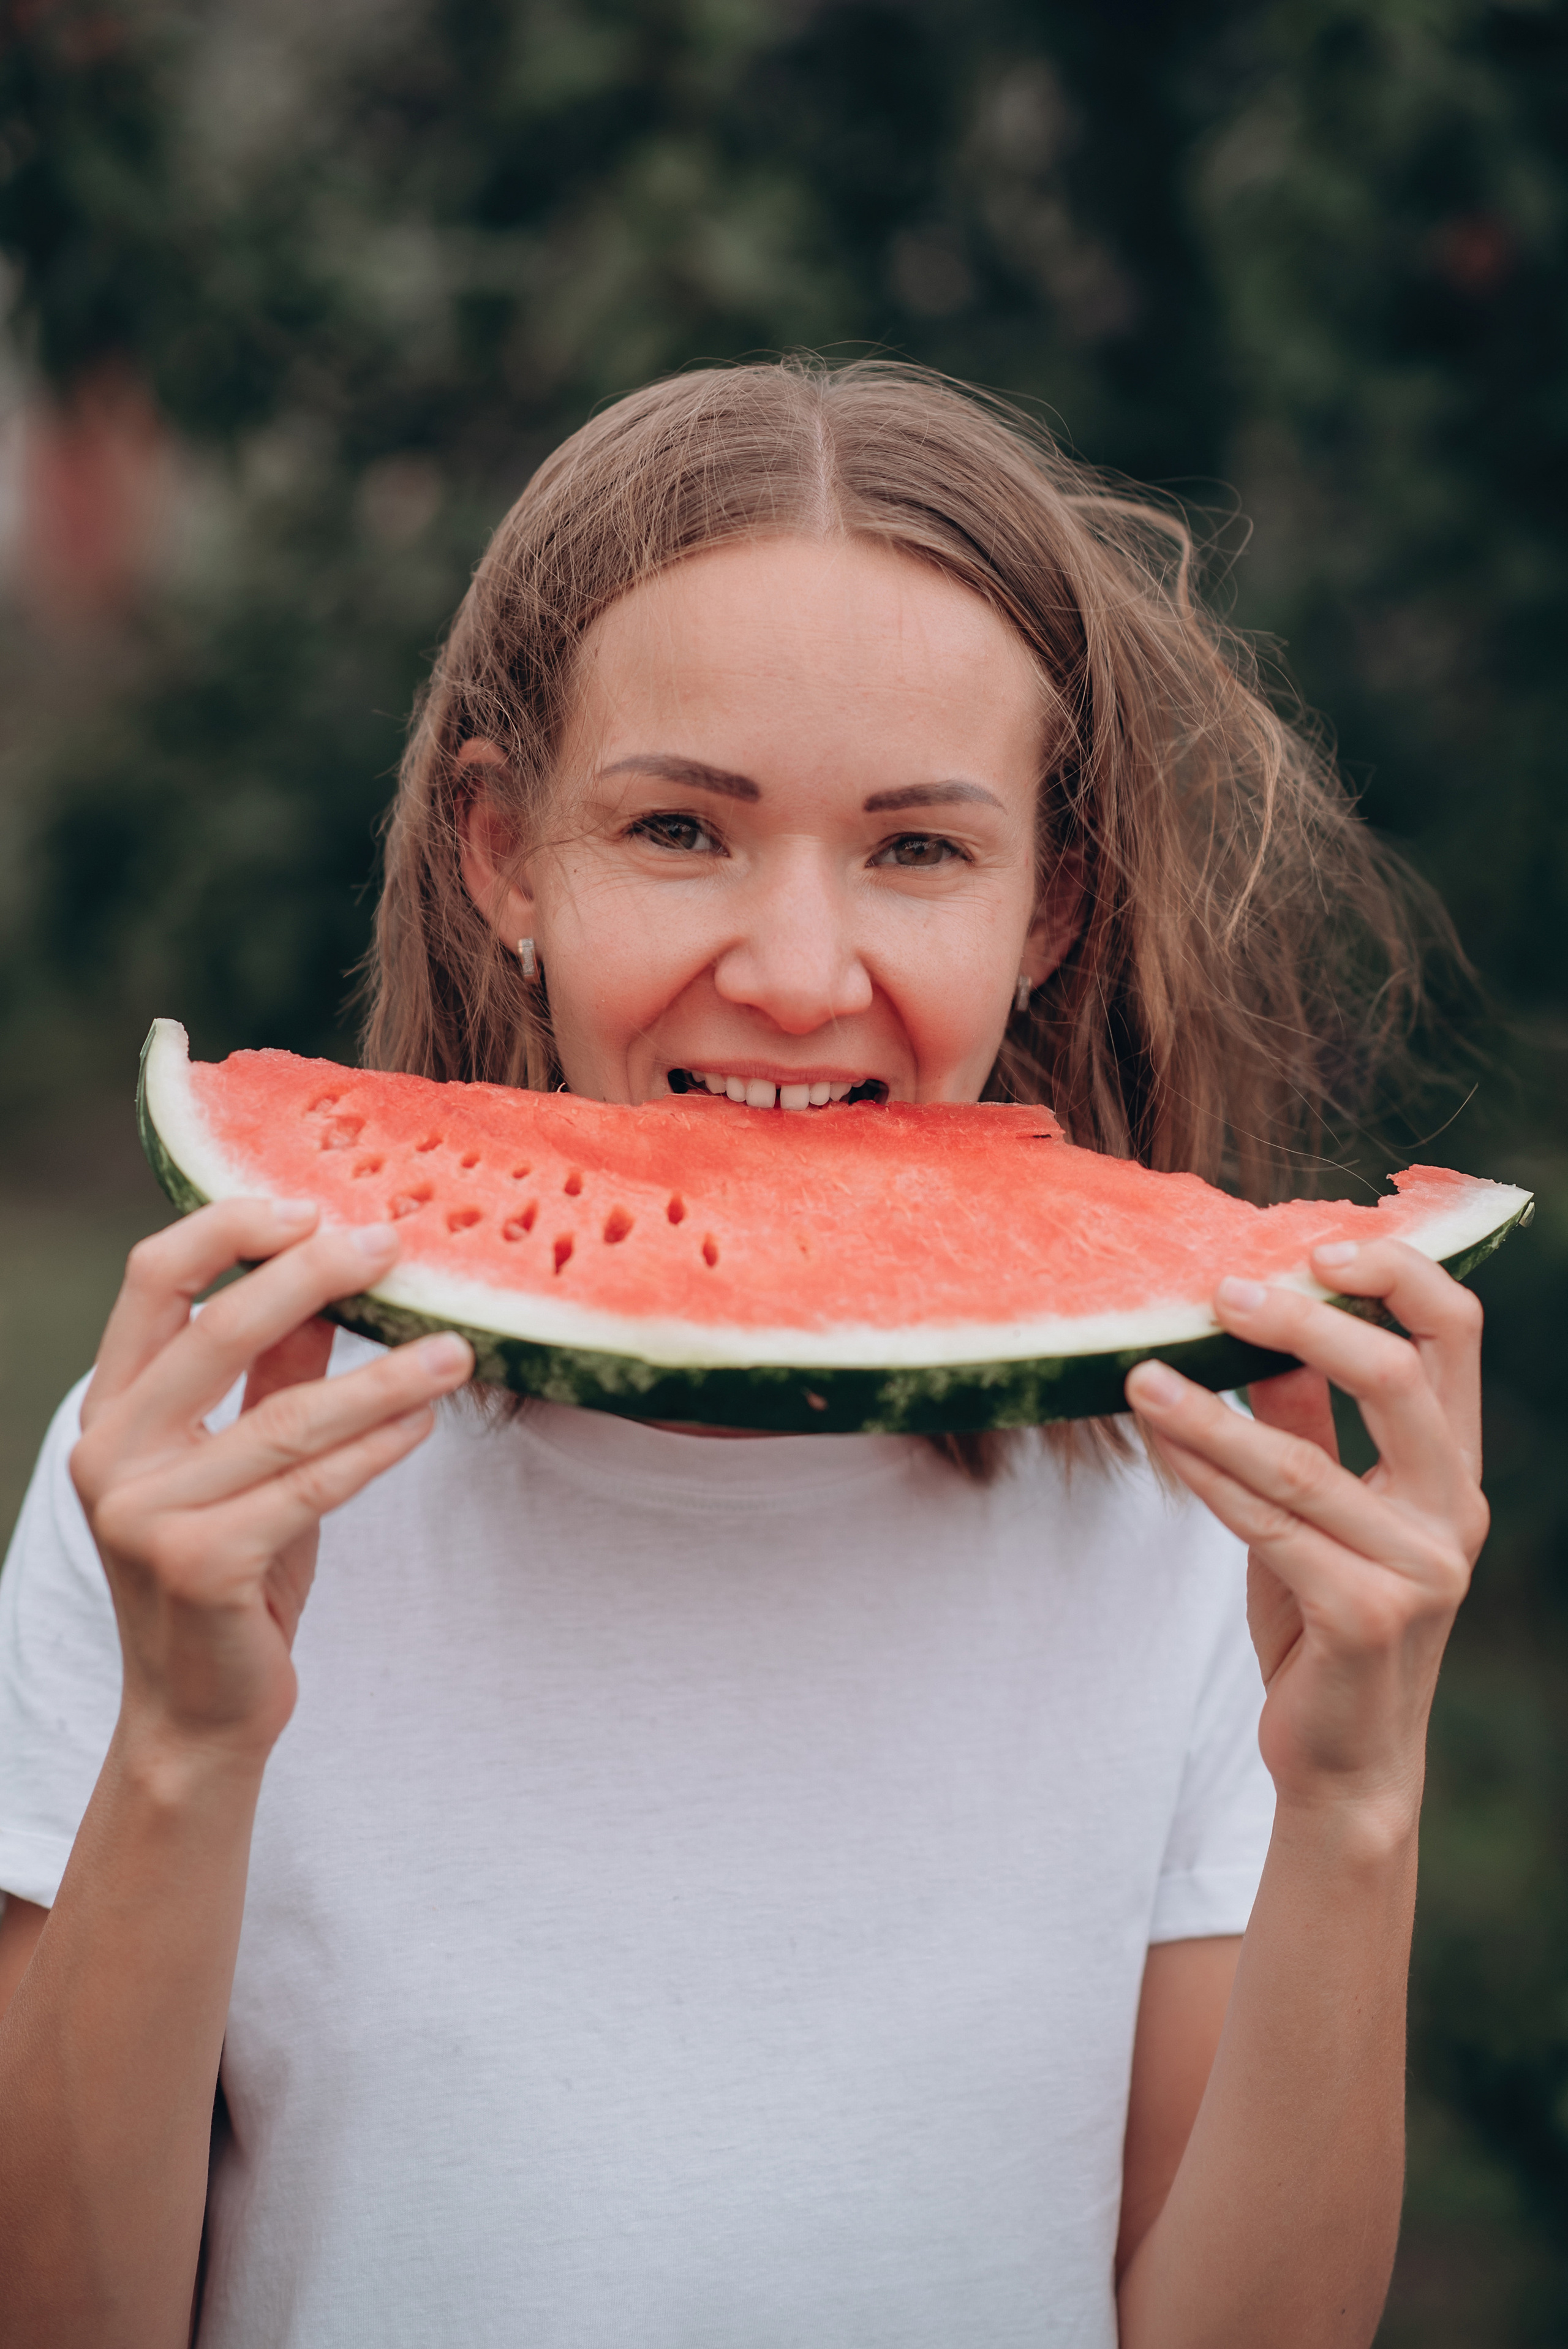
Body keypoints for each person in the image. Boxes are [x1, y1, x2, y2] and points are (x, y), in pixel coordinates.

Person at [0, 361, 1487, 2349]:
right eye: (683, 828)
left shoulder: (1208, 1521)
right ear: (504, 855)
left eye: (919, 851)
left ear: (1052, 905)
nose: (796, 974)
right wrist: (187, 1742)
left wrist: (1359, 1799)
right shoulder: (181, 1483)